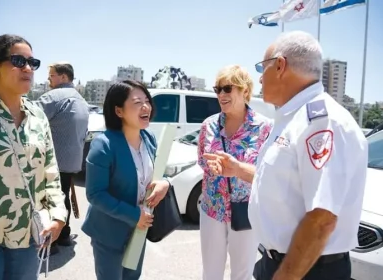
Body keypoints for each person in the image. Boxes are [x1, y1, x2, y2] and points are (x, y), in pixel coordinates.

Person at [204, 31, 367, 280]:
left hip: (305, 269)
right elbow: (284, 182)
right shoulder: (291, 118)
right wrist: (237, 169)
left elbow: (322, 218)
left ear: (280, 66)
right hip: (278, 263)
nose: (259, 79)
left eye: (263, 68)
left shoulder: (322, 122)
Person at [0, 34, 67, 280]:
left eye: (33, 63)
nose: (28, 68)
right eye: (19, 61)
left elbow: (50, 172)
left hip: (29, 237)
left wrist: (58, 215)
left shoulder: (38, 116)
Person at [82, 80, 171, 280]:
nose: (146, 106)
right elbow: (95, 194)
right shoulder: (103, 145)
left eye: (147, 101)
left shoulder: (149, 138)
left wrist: (165, 183)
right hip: (109, 233)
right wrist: (134, 215)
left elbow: (156, 174)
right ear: (119, 111)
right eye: (137, 102)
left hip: (138, 231)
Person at [197, 65, 272, 280]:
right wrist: (212, 166)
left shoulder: (265, 127)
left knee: (242, 274)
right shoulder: (208, 125)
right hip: (212, 208)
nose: (221, 94)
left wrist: (237, 169)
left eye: (227, 88)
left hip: (246, 211)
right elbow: (202, 160)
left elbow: (269, 174)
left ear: (244, 91)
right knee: (210, 273)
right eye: (217, 89)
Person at [35, 62, 89, 253]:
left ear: (64, 77)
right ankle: (64, 234)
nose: (49, 79)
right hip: (72, 160)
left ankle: (52, 242)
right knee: (62, 195)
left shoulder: (53, 97)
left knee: (50, 200)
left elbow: (28, 120)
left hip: (53, 160)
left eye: (51, 76)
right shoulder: (81, 100)